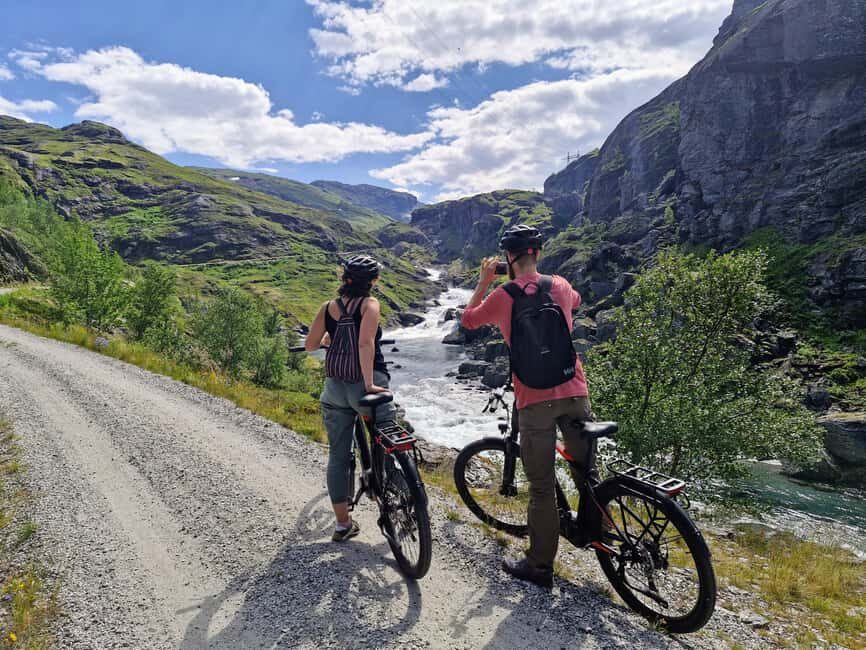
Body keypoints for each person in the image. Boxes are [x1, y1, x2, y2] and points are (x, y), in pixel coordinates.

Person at [461, 224, 594, 588]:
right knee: (588, 474)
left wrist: (485, 280)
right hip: (575, 392)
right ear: (537, 252)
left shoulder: (503, 295)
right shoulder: (561, 286)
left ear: (508, 258)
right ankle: (597, 534)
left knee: (541, 487)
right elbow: (578, 301)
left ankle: (539, 566)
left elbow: (468, 320)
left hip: (534, 400)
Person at [305, 255, 395, 542]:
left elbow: (309, 346)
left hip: (335, 389)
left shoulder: (328, 308)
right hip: (364, 387)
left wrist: (328, 341)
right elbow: (365, 343)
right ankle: (402, 494)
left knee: (338, 455)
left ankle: (343, 524)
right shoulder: (370, 305)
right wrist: (368, 382)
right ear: (373, 281)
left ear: (344, 279)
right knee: (389, 438)